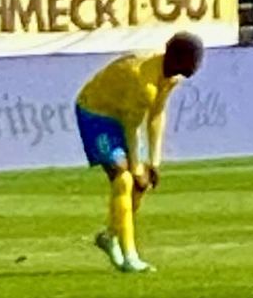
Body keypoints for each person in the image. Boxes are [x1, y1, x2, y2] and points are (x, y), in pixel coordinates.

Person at [75, 32, 203, 273]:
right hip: (96, 113)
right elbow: (132, 127)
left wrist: (154, 163)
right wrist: (136, 167)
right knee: (124, 179)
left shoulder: (169, 79)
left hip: (123, 117)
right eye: (193, 58)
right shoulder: (144, 82)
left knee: (141, 185)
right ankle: (129, 256)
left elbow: (156, 115)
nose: (197, 63)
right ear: (178, 57)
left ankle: (110, 236)